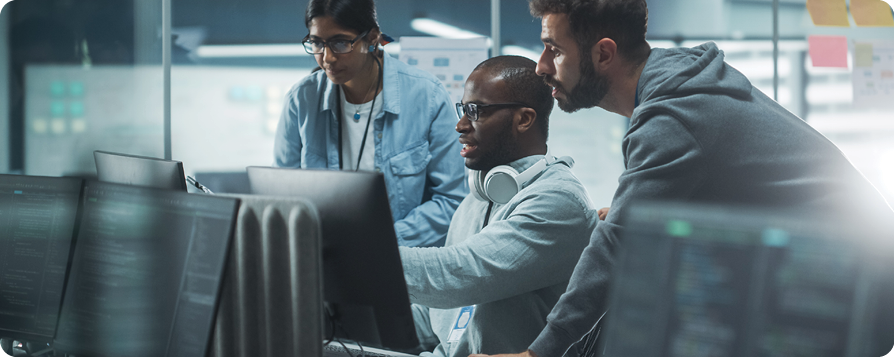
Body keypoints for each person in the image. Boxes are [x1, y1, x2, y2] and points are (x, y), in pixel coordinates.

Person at [475, 1, 894, 356]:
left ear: (603, 54)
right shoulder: (677, 84)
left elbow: (616, 247)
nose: (541, 66)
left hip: (848, 296)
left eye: (554, 49)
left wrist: (540, 351)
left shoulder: (673, 115)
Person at [399, 55, 599, 357]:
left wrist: (367, 259)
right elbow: (436, 318)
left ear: (524, 119)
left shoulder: (558, 202)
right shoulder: (475, 201)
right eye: (463, 110)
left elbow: (458, 274)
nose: (460, 125)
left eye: (475, 111)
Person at [273, 0, 467, 247]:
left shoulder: (427, 96)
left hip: (402, 264)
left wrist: (378, 242)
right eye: (317, 43)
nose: (328, 58)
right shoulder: (301, 99)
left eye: (341, 43)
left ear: (372, 38)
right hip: (325, 260)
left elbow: (452, 200)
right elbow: (280, 196)